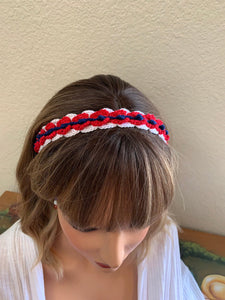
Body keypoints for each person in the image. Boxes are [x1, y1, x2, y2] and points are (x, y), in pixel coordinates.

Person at [0, 74, 205, 300]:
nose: (115, 258)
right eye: (88, 227)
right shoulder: (8, 266)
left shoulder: (160, 241)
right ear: (53, 194)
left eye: (139, 222)